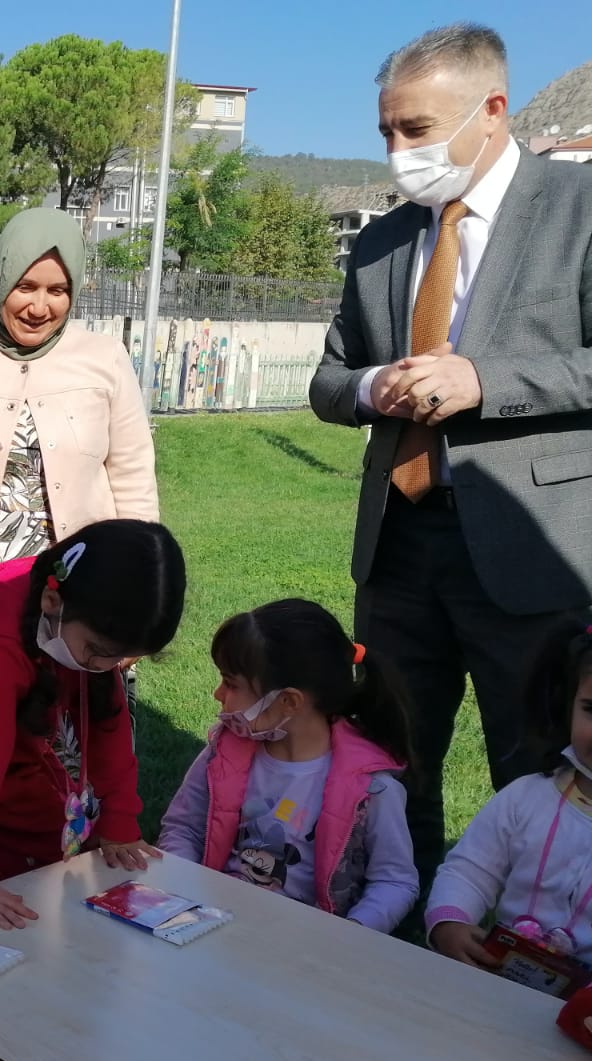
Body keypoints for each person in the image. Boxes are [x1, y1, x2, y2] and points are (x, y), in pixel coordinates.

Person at [309, 24, 592, 895]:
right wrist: (370, 391)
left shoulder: (579, 211)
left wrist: (485, 378)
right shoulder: (383, 241)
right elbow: (328, 378)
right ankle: (399, 925)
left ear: (493, 110)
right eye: (388, 132)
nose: (399, 152)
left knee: (540, 771)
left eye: (417, 130)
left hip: (528, 551)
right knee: (392, 764)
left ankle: (528, 951)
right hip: (398, 552)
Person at [0, 520, 186, 930]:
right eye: (101, 654)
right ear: (52, 602)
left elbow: (110, 724)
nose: (109, 668)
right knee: (39, 832)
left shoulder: (84, 618)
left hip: (19, 719)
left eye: (123, 659)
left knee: (62, 833)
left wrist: (119, 823)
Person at [158, 600, 419, 933]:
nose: (218, 693)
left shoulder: (371, 788)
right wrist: (188, 891)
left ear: (289, 702)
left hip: (306, 953)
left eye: (232, 683)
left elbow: (395, 881)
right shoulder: (221, 754)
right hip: (211, 928)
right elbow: (183, 828)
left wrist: (350, 935)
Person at [0, 207, 158, 564]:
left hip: (83, 581)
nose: (39, 307)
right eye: (24, 287)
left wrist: (139, 567)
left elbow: (132, 476)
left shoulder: (106, 358)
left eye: (57, 290)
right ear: (1, 279)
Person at [425, 622, 592, 976]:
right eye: (591, 709)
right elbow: (470, 871)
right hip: (498, 983)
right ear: (567, 704)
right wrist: (449, 922)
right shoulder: (527, 798)